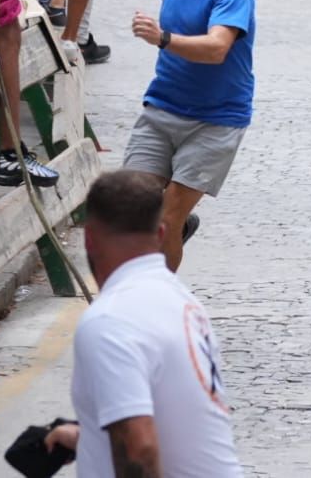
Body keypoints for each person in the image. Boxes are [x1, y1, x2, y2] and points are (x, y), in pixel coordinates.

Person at [39, 171, 245, 477]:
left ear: (89, 238)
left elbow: (140, 450)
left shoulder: (110, 321)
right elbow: (172, 418)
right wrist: (89, 437)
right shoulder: (182, 302)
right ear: (162, 234)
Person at [124, 0, 256, 271]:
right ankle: (178, 228)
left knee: (163, 223)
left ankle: (155, 311)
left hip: (215, 121)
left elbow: (217, 48)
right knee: (133, 213)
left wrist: (163, 39)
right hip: (162, 108)